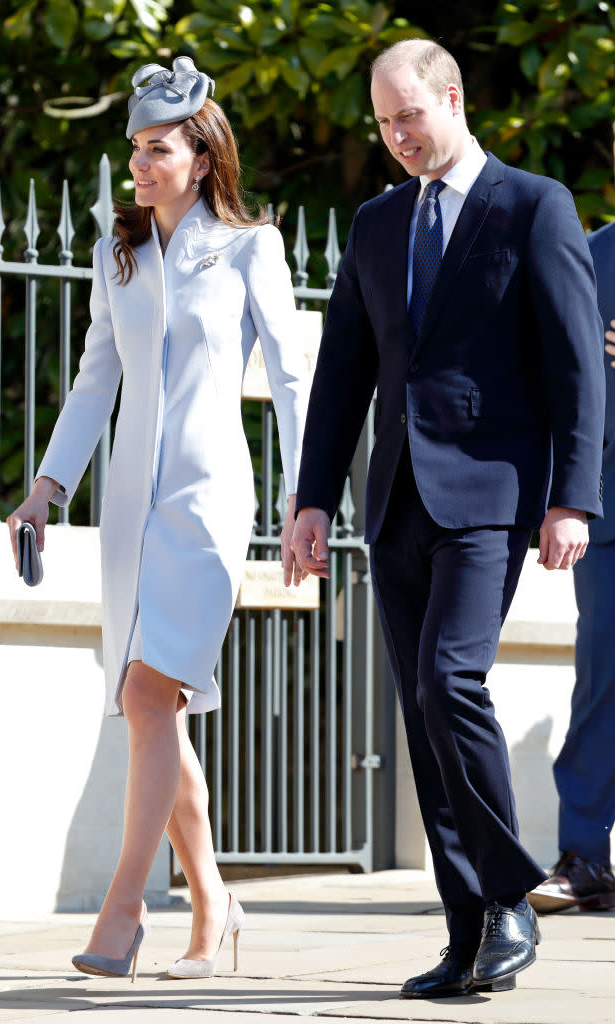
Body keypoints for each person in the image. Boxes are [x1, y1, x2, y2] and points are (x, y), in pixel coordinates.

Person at [291, 39, 605, 999]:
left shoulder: (534, 204)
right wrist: (310, 497)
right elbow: (344, 370)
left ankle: (509, 896)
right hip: (395, 501)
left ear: (452, 98)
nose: (396, 137)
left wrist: (573, 496)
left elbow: (573, 365)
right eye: (383, 123)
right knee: (424, 720)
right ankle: (469, 927)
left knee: (445, 681)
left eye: (409, 115)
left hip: (494, 496)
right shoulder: (379, 222)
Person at [7, 56, 307, 982]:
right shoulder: (117, 251)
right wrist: (47, 487)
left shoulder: (252, 246)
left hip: (211, 502)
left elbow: (293, 379)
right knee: (153, 712)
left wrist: (307, 497)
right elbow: (96, 380)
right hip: (130, 505)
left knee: (147, 698)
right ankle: (216, 901)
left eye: (156, 148)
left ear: (202, 155)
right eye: (134, 148)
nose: (138, 164)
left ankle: (126, 907)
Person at [527, 125, 615, 916]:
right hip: (612, 513)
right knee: (603, 682)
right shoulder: (593, 256)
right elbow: (566, 376)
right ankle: (585, 857)